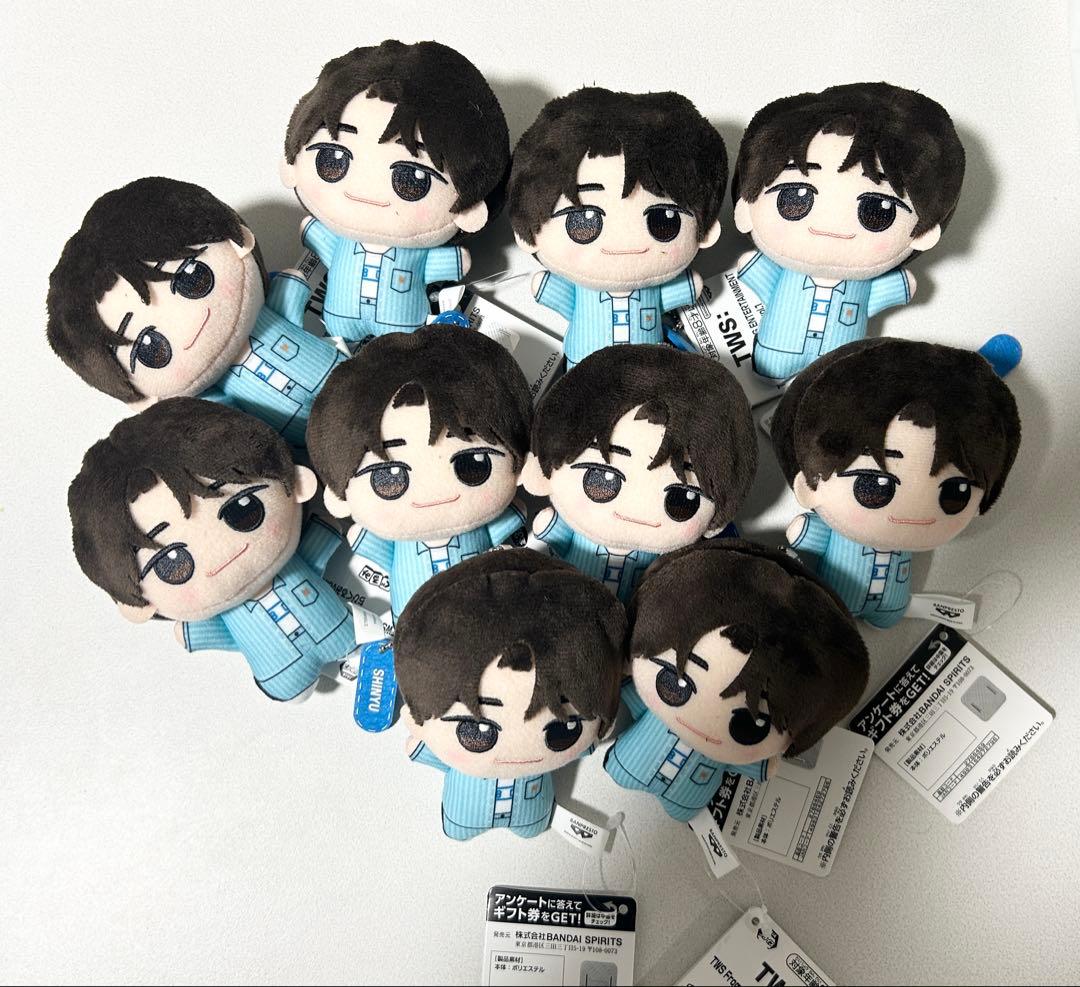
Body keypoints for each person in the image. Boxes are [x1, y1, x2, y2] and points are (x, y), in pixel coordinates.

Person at [68, 398, 356, 700]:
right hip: (287, 668)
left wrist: (327, 533)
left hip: (338, 633)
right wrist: (326, 532)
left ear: (297, 483)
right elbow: (223, 634)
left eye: (243, 509)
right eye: (172, 564)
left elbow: (320, 546)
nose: (219, 554)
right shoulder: (232, 615)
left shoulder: (294, 566)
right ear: (136, 605)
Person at [47, 177, 343, 447]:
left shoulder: (273, 315)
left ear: (239, 241)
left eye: (193, 279)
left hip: (347, 378)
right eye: (151, 349)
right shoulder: (211, 403)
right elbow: (228, 425)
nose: (185, 327)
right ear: (139, 398)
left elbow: (292, 292)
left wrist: (294, 286)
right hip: (310, 448)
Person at [604, 539, 868, 821]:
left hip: (658, 779)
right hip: (631, 767)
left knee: (671, 800)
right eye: (673, 684)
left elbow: (625, 692)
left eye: (748, 725)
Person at [771, 338, 1021, 627]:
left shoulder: (907, 540)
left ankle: (885, 614)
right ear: (808, 487)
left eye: (955, 493)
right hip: (838, 603)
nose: (913, 513)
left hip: (893, 605)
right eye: (873, 487)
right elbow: (805, 534)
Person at [281, 40, 510, 344]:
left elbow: (453, 263)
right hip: (337, 324)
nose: (363, 189)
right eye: (332, 161)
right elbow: (314, 234)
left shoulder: (419, 253)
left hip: (402, 331)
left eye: (412, 179)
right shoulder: (337, 241)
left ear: (470, 211)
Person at [732, 83, 965, 380]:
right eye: (795, 198)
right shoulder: (780, 275)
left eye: (877, 210)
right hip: (776, 352)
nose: (830, 225)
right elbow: (754, 272)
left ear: (924, 233)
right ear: (746, 211)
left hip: (838, 366)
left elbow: (896, 289)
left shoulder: (865, 286)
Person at [306, 325, 532, 621]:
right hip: (414, 624)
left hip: (489, 619)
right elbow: (366, 541)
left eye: (473, 464)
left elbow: (513, 517)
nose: (433, 492)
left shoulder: (485, 525)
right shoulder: (392, 544)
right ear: (340, 497)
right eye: (389, 480)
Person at [396, 550, 625, 841]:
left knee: (529, 826)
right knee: (461, 825)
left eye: (562, 731)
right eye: (475, 732)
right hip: (465, 813)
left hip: (535, 813)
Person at [508, 87, 725, 365]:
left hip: (649, 370)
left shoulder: (654, 291)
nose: (624, 242)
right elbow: (550, 291)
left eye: (663, 221)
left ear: (706, 231)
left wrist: (689, 287)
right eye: (583, 222)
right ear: (529, 232)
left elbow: (685, 289)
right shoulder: (581, 292)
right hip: (584, 366)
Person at [521, 345, 756, 601]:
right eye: (601, 481)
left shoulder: (670, 563)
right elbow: (555, 536)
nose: (636, 510)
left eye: (680, 501)